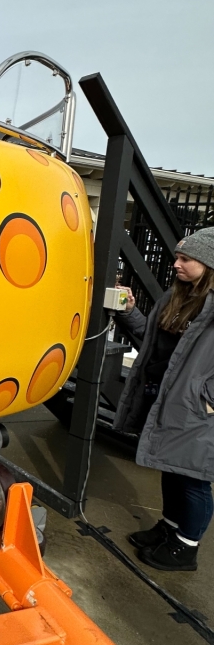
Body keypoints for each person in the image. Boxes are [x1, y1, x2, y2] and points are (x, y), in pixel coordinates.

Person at [114, 227, 214, 571]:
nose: (176, 264)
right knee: (172, 470)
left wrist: (207, 399)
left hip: (196, 410)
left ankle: (186, 547)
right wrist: (128, 310)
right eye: (176, 256)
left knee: (194, 480)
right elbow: (150, 338)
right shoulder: (177, 298)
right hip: (167, 399)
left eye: (186, 258)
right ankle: (171, 529)